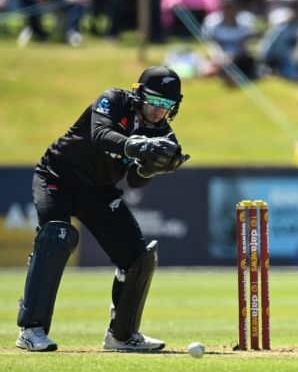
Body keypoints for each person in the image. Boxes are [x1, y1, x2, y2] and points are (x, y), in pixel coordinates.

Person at [15, 66, 190, 352]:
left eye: (166, 105)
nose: (159, 111)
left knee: (137, 257)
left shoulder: (162, 134)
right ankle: (31, 329)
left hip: (98, 191)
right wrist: (137, 146)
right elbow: (100, 135)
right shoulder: (113, 100)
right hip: (57, 177)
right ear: (139, 93)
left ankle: (121, 335)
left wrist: (153, 167)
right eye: (154, 102)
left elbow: (134, 180)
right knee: (55, 237)